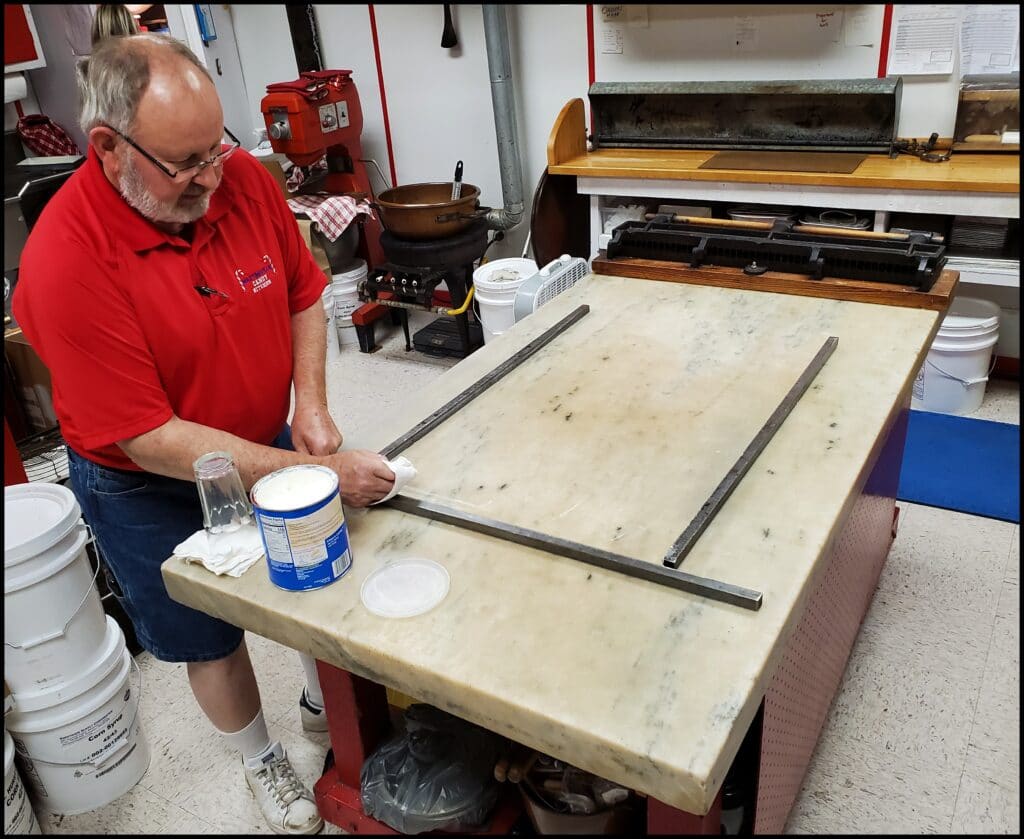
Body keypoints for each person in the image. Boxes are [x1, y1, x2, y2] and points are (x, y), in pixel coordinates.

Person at [13, 33, 397, 836]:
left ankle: (311, 692)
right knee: (206, 634)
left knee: (309, 576)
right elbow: (150, 436)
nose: (213, 177)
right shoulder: (65, 261)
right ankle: (260, 756)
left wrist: (313, 407)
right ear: (110, 149)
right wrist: (301, 467)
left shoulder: (241, 179)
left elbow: (301, 290)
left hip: (260, 434)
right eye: (186, 164)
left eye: (216, 149)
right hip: (143, 480)